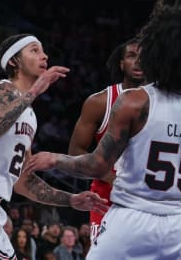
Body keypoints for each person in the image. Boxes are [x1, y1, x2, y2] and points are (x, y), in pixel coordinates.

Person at [25, 0, 181, 259]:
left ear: (156, 55)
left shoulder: (135, 101)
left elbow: (96, 166)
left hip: (132, 219)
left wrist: (54, 159)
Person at [0, 34, 107, 260]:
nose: (44, 55)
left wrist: (71, 199)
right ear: (14, 61)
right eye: (34, 50)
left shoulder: (30, 116)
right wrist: (34, 91)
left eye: (43, 50)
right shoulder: (2, 90)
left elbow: (24, 181)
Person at [68, 38, 145, 242]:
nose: (138, 61)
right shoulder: (100, 102)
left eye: (144, 56)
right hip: (107, 197)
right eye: (131, 56)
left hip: (150, 198)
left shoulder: (164, 101)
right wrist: (111, 176)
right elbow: (75, 150)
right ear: (121, 63)